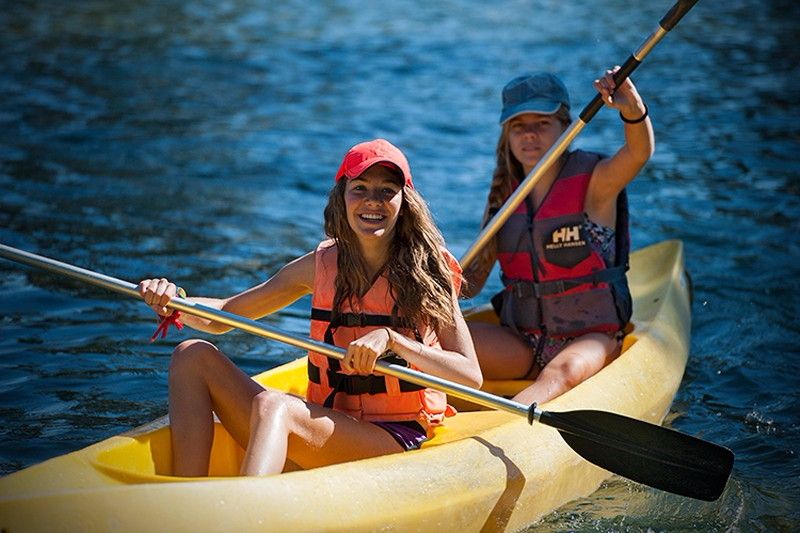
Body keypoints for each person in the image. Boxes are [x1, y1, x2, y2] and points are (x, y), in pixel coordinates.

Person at [139, 139, 482, 477]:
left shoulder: (429, 270)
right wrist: (176, 300)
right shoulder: (320, 265)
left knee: (276, 405)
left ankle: (242, 511)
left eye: (386, 191)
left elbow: (470, 375)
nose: (372, 202)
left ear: (405, 202)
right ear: (341, 198)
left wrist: (393, 341)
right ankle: (185, 491)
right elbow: (226, 313)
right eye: (360, 188)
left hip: (393, 435)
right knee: (191, 355)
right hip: (324, 424)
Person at [462, 68, 654, 406]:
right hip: (522, 342)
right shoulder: (503, 199)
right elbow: (473, 282)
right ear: (507, 135)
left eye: (542, 124)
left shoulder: (595, 182)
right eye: (519, 126)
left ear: (566, 127)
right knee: (431, 343)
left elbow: (638, 154)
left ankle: (509, 426)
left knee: (560, 372)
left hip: (591, 337)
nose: (530, 135)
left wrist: (632, 108)